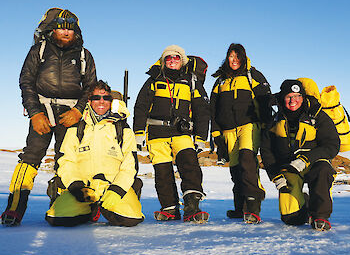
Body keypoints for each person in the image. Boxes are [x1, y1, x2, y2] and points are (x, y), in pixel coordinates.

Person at [1, 9, 97, 226]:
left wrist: (78, 111)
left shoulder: (84, 55)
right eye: (61, 27)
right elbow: (26, 82)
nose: (65, 31)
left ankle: (62, 207)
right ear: (52, 29)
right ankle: (14, 209)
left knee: (66, 160)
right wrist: (35, 113)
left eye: (70, 28)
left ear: (76, 32)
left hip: (71, 115)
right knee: (31, 157)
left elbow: (90, 87)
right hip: (42, 111)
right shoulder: (39, 50)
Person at [45, 80, 144, 227]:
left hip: (111, 187)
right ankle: (90, 208)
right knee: (56, 218)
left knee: (130, 218)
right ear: (89, 101)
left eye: (106, 98)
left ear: (112, 101)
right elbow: (66, 161)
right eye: (96, 98)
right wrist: (76, 187)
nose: (101, 102)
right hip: (84, 188)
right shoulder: (76, 128)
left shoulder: (123, 129)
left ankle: (108, 204)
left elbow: (130, 164)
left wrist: (117, 190)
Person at [133, 45, 210, 223]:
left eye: (176, 57)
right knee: (162, 172)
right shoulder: (153, 80)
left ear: (182, 61)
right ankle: (170, 208)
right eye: (168, 58)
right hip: (156, 132)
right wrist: (138, 133)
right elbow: (141, 106)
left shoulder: (191, 81)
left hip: (181, 133)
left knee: (189, 165)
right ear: (163, 61)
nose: (172, 60)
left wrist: (200, 137)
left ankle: (192, 207)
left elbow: (202, 110)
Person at [260, 80, 340, 231]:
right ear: (282, 98)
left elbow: (332, 145)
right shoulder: (274, 121)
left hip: (314, 163)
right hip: (289, 168)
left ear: (303, 97)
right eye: (289, 96)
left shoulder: (318, 116)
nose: (293, 101)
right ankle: (305, 205)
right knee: (291, 219)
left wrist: (306, 159)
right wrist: (275, 174)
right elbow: (266, 150)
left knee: (323, 170)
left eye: (297, 96)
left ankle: (320, 216)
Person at [210, 43, 272, 224]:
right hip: (228, 130)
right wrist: (215, 131)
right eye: (231, 56)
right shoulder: (220, 80)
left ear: (243, 57)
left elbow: (265, 101)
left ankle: (253, 208)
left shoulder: (253, 75)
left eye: (237, 56)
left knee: (247, 162)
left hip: (249, 126)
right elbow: (212, 108)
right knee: (236, 170)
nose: (234, 60)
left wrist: (267, 126)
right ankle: (240, 208)